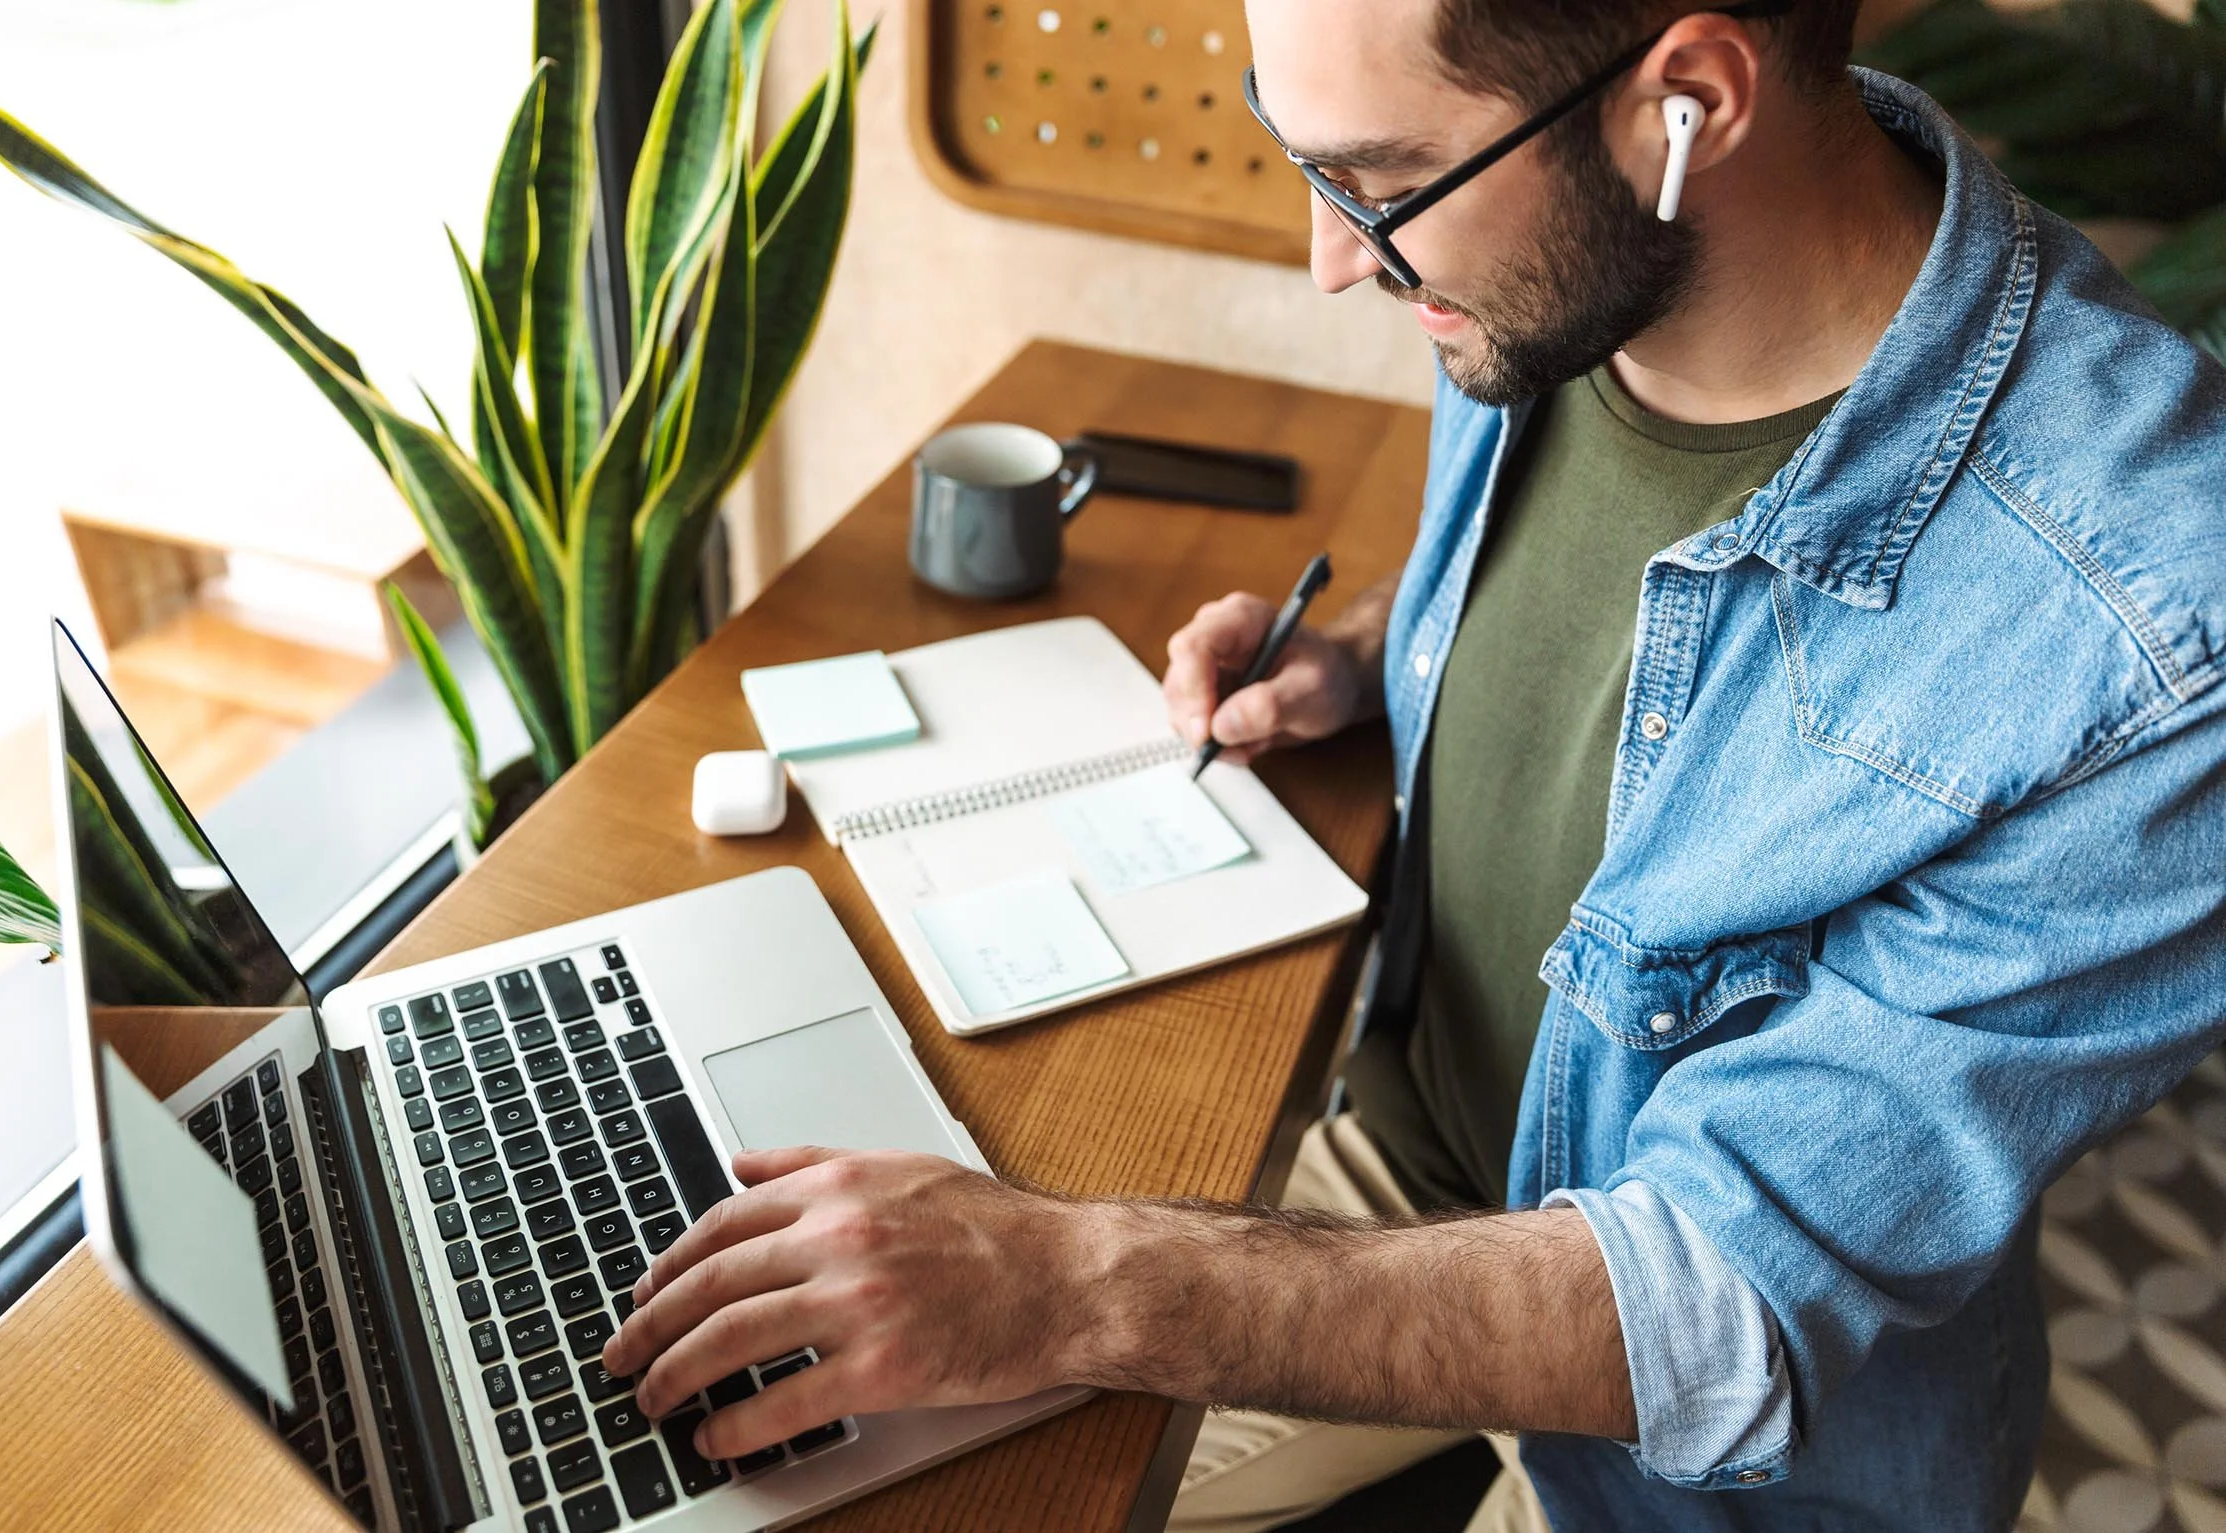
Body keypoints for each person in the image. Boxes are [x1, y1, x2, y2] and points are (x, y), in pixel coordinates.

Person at [603, 0, 2226, 1525]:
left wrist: (1077, 1282)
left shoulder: (2156, 630)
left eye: (1377, 184)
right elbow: (1648, 595)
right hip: (1380, 1150)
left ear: (1692, 102)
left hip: (1689, 1455)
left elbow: (1718, 1298)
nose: (1332, 260)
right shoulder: (1586, 260)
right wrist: (1373, 655)